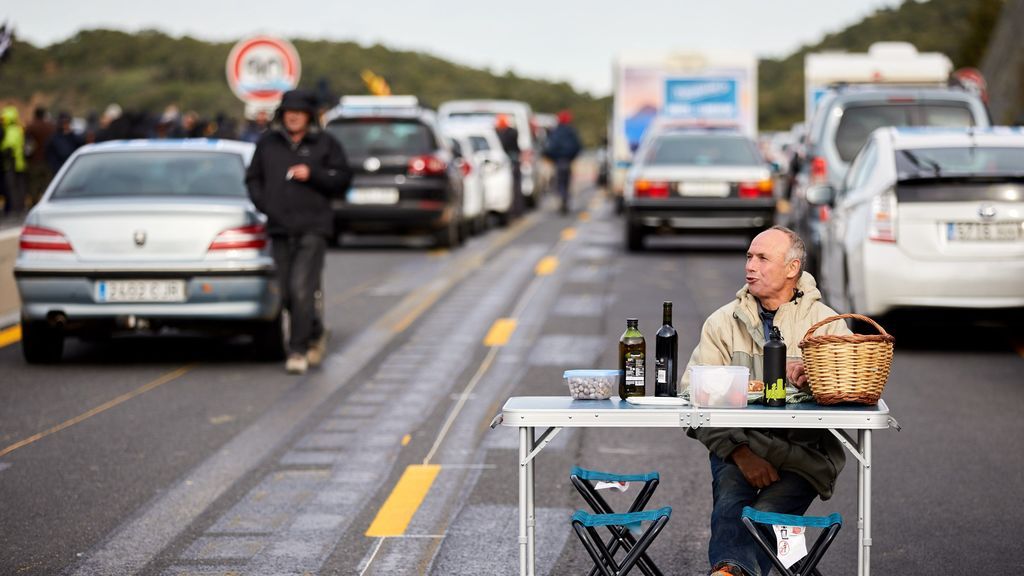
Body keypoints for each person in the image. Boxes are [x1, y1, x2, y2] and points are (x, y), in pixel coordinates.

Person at [682, 226, 851, 576]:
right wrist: (741, 454)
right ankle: (728, 572)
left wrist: (817, 377)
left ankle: (731, 571)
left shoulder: (827, 324)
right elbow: (692, 397)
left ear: (792, 269)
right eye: (748, 257)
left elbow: (852, 392)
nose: (750, 266)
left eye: (762, 258)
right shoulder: (722, 322)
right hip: (741, 446)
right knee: (731, 502)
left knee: (765, 516)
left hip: (805, 456)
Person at [245, 89, 352, 375]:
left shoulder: (325, 144)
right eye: (288, 112)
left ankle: (297, 349)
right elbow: (253, 178)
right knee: (288, 295)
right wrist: (266, 204)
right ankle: (314, 329)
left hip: (313, 228)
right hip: (280, 227)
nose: (293, 116)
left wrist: (314, 174)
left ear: (309, 116)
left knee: (302, 288)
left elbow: (342, 179)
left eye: (299, 112)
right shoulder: (268, 143)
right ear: (282, 115)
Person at [543, 110, 582, 215]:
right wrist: (571, 157)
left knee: (559, 182)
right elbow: (578, 146)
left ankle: (562, 198)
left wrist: (552, 158)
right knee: (566, 182)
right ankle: (565, 199)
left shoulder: (556, 131)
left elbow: (549, 147)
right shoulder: (571, 131)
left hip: (558, 161)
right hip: (567, 161)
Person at [24, 106, 55, 207]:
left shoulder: (31, 127)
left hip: (35, 161)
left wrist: (27, 157)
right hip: (48, 161)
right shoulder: (51, 127)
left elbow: (27, 146)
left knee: (34, 186)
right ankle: (47, 206)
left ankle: (34, 206)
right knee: (47, 186)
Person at [1, 105, 28, 216]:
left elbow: (9, 147)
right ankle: (19, 207)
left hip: (11, 162)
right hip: (18, 162)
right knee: (18, 186)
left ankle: (15, 208)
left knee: (12, 187)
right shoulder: (18, 129)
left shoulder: (10, 131)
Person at [494, 114, 522, 217]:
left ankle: (516, 210)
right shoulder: (512, 132)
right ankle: (516, 210)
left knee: (514, 186)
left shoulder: (505, 133)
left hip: (511, 162)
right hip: (512, 161)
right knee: (514, 187)